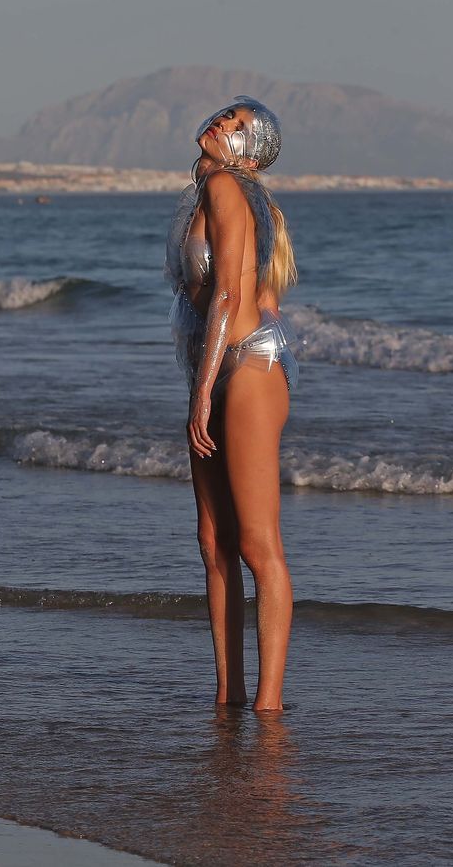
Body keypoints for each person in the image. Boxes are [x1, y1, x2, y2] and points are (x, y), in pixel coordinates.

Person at [166, 96, 298, 712]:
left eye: (240, 126)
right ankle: (228, 698)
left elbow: (225, 297)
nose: (221, 123)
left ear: (250, 150)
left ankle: (267, 709)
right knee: (213, 540)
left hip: (244, 368)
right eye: (225, 115)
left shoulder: (225, 189)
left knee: (256, 544)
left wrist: (202, 392)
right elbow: (261, 293)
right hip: (223, 364)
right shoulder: (227, 196)